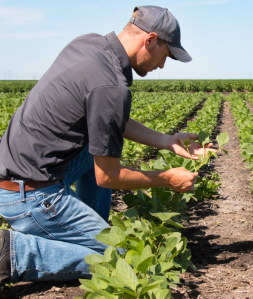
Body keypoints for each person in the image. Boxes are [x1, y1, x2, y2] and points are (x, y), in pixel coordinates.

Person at [0, 5, 211, 298]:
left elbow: (108, 119)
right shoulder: (112, 85)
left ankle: (93, 232)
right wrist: (167, 177)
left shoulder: (90, 44)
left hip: (18, 176)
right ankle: (13, 252)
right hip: (31, 196)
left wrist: (167, 140)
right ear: (150, 40)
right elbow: (108, 177)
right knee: (118, 260)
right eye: (166, 55)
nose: (163, 65)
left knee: (97, 149)